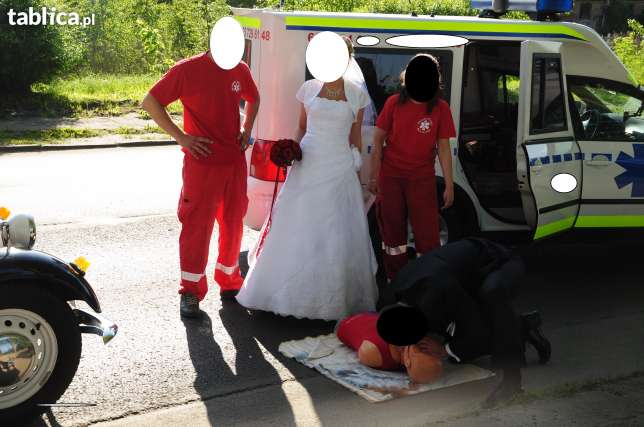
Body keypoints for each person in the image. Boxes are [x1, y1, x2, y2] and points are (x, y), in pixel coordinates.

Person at [235, 37, 378, 320]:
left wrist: (357, 171)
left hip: (339, 165)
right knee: (298, 221)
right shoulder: (309, 88)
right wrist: (293, 151)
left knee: (335, 228)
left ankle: (332, 299)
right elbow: (301, 126)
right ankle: (283, 292)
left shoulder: (356, 95)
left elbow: (355, 138)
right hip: (309, 161)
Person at [142, 48, 259, 318]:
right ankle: (191, 292)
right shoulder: (187, 69)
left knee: (233, 225)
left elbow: (254, 98)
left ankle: (229, 282)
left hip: (234, 164)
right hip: (201, 166)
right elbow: (150, 102)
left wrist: (247, 129)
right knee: (197, 229)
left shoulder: (239, 68)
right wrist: (182, 137)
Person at [376, 238, 551, 407]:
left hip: (502, 264)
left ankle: (512, 382)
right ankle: (524, 327)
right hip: (464, 278)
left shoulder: (440, 290)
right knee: (461, 355)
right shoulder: (389, 298)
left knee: (491, 295)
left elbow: (474, 328)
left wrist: (444, 350)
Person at [369, 54, 456, 281]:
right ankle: (396, 280)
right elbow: (377, 141)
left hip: (422, 178)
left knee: (427, 234)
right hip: (391, 177)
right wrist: (374, 176)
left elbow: (444, 148)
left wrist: (449, 185)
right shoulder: (393, 103)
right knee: (392, 234)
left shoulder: (441, 108)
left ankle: (427, 281)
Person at [336, 312, 443, 384]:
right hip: (371, 314)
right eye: (430, 351)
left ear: (407, 361)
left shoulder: (374, 353)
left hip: (347, 322)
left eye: (420, 349)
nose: (421, 343)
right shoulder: (422, 340)